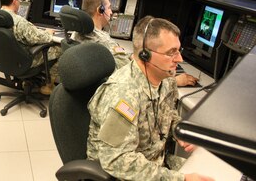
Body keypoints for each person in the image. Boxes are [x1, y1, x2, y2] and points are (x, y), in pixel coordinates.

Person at [87, 16, 214, 181]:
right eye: (171, 53)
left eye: (178, 50)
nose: (180, 59)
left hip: (153, 162)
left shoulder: (167, 79)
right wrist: (179, 179)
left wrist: (180, 132)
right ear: (145, 55)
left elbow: (168, 114)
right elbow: (116, 160)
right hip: (120, 173)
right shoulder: (124, 94)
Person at [73, 0, 198, 87]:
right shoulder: (102, 42)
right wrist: (175, 81)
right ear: (100, 10)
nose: (111, 12)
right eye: (109, 8)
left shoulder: (78, 33)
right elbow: (134, 74)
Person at [0, 0, 62, 95]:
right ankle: (49, 86)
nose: (19, 2)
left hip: (6, 59)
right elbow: (39, 38)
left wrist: (30, 27)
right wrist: (49, 33)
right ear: (14, 2)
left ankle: (27, 82)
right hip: (24, 62)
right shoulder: (20, 22)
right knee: (60, 48)